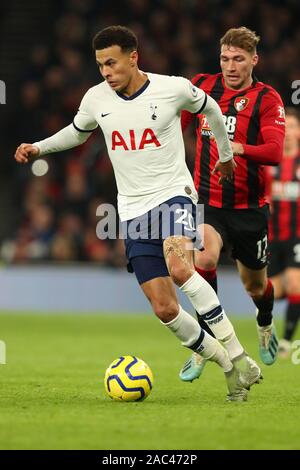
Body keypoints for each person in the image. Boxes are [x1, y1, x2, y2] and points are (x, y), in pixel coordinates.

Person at [15, 25, 261, 401]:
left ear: (133, 57)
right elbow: (78, 133)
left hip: (173, 195)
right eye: (99, 65)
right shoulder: (97, 98)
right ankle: (227, 366)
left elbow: (210, 107)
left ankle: (240, 354)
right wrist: (39, 147)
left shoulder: (172, 88)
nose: (105, 72)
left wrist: (226, 155)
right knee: (165, 309)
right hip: (132, 210)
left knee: (181, 268)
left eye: (111, 63)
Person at [180, 26, 285, 381]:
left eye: (238, 59)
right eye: (225, 58)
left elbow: (273, 152)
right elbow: (173, 122)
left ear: (254, 60)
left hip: (249, 209)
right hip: (206, 200)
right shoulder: (202, 87)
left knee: (255, 287)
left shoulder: (267, 99)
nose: (230, 66)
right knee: (203, 258)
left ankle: (266, 322)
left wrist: (237, 148)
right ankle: (206, 343)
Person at [266, 108, 300, 358]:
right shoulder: (269, 162)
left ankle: (287, 342)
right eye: (284, 127)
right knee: (274, 292)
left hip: (296, 237)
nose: (288, 133)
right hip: (271, 237)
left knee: (296, 285)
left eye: (293, 127)